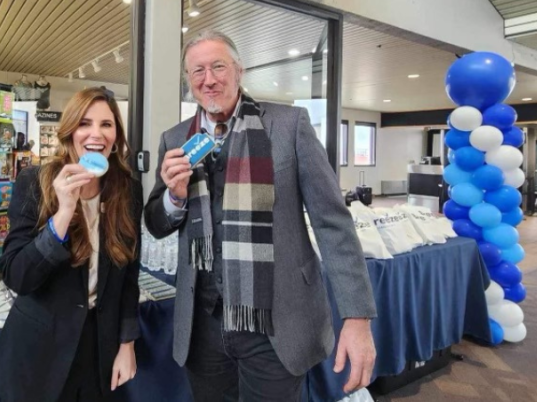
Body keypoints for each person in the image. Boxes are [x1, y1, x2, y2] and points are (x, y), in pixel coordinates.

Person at [145, 31, 377, 401]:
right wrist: (174, 197)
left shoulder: (289, 125)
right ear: (189, 82)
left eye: (218, 67)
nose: (209, 79)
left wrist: (357, 317)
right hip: (203, 326)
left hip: (276, 324)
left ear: (239, 71)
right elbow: (156, 224)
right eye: (198, 71)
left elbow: (333, 223)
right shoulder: (175, 140)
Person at [0, 87, 142, 402]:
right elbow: (17, 276)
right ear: (70, 132)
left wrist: (127, 343)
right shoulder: (35, 182)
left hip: (100, 349)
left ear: (116, 137)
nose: (96, 134)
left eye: (106, 124)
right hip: (39, 356)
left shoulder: (127, 191)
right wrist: (64, 214)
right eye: (85, 123)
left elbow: (129, 277)